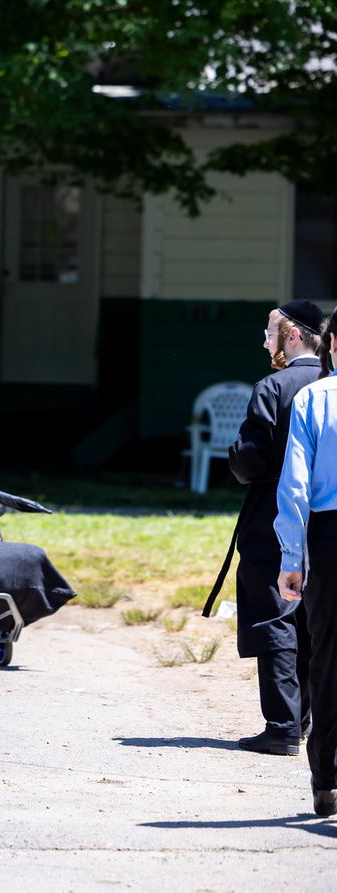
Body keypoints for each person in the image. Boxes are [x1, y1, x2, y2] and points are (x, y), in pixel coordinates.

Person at [226, 299, 322, 756]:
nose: (265, 342)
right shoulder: (331, 385)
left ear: (293, 335)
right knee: (313, 616)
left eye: (270, 332)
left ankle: (283, 725)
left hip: (273, 511)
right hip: (328, 517)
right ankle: (305, 719)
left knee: (274, 613)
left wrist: (238, 459)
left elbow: (249, 459)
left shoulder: (275, 386)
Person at [276, 310, 337, 818]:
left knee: (327, 658)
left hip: (329, 535)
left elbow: (294, 485)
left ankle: (325, 779)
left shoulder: (314, 398)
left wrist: (290, 557)